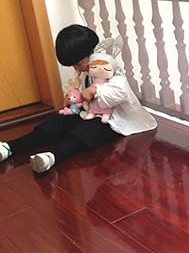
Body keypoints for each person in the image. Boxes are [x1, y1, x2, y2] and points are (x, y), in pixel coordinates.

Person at [0, 24, 157, 173]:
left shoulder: (108, 68)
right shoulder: (86, 71)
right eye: (74, 66)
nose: (77, 69)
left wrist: (95, 91)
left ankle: (52, 156)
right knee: (57, 121)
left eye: (79, 64)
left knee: (87, 130)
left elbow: (120, 91)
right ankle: (10, 147)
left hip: (113, 119)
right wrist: (73, 99)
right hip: (88, 112)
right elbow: (79, 93)